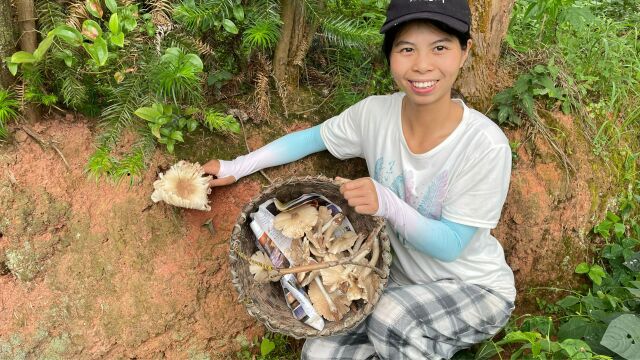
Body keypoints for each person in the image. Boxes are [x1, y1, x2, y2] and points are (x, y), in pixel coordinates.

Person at [203, 0, 516, 358]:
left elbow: (450, 244)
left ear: (464, 52)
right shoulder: (375, 114)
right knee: (319, 354)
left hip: (473, 288)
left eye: (440, 47)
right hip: (398, 284)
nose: (423, 64)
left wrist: (387, 203)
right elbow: (310, 139)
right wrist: (235, 166)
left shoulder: (484, 144)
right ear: (390, 56)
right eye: (407, 49)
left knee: (393, 320)